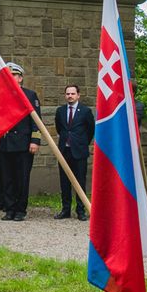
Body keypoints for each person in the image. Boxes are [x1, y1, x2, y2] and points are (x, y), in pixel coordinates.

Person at [0, 62, 41, 222]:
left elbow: (36, 121)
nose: (11, 78)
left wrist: (35, 141)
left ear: (20, 78)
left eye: (14, 75)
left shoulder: (29, 95)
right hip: (6, 143)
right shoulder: (1, 95)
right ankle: (9, 209)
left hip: (23, 143)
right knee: (6, 178)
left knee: (21, 178)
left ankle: (20, 209)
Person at [54, 83, 94, 221]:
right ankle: (65, 209)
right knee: (64, 181)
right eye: (67, 94)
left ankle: (80, 210)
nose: (70, 96)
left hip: (79, 151)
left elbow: (90, 131)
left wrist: (81, 142)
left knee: (80, 181)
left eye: (72, 93)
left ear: (78, 95)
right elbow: (60, 129)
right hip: (64, 151)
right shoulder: (60, 111)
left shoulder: (85, 111)